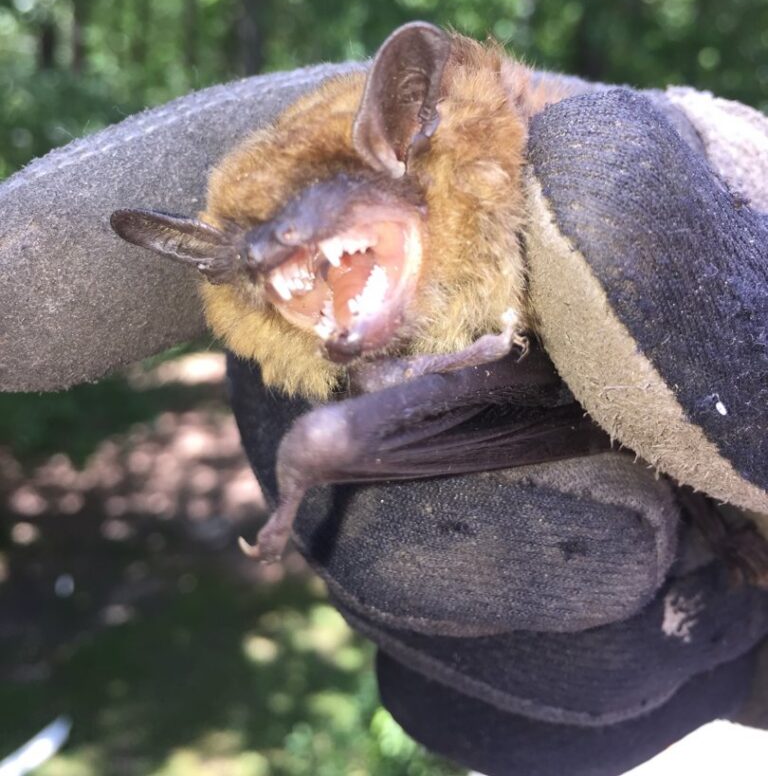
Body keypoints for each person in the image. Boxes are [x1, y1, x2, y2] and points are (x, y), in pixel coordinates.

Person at [2, 62, 768, 776]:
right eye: (259, 261)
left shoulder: (529, 190)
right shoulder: (367, 367)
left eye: (319, 213)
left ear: (407, 147)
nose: (282, 246)